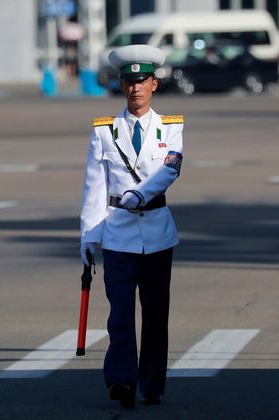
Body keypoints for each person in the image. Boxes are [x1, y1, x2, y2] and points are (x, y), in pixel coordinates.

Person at [80, 44, 184, 408]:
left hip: (157, 234)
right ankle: (122, 380)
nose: (135, 88)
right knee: (120, 314)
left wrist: (140, 195)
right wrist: (89, 236)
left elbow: (170, 168)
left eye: (142, 81)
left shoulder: (171, 128)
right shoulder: (104, 131)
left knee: (156, 314)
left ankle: (152, 384)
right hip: (118, 235)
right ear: (121, 86)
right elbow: (94, 186)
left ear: (154, 84)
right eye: (129, 82)